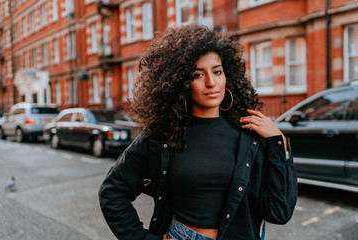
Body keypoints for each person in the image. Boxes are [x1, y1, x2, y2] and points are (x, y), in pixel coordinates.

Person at [99, 24, 298, 240]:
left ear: (227, 75)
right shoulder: (162, 136)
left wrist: (279, 144)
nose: (212, 83)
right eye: (197, 74)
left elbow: (279, 212)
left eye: (217, 71)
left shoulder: (250, 135)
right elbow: (112, 192)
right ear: (180, 82)